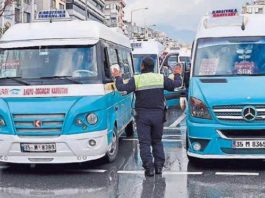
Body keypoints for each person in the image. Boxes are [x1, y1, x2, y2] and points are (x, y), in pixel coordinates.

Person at [112, 57, 182, 177]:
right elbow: (176, 85)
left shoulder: (137, 79)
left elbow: (122, 88)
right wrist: (177, 74)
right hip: (158, 115)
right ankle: (159, 167)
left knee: (144, 143)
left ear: (142, 66)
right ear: (153, 66)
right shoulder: (160, 78)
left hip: (143, 116)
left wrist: (118, 76)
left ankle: (149, 169)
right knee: (157, 141)